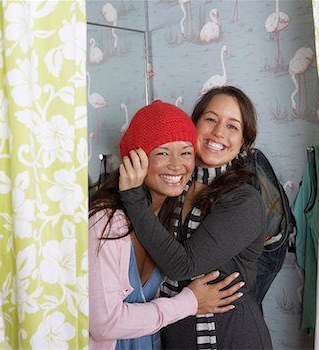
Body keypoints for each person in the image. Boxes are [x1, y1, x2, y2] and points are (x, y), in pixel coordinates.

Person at [119, 87, 273, 349]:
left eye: (233, 126)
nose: (218, 133)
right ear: (194, 126)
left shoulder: (243, 201)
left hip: (230, 336)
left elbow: (183, 266)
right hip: (173, 333)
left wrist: (132, 196)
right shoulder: (173, 186)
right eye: (211, 119)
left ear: (244, 142)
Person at [89, 100, 244, 350]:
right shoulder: (107, 221)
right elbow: (103, 324)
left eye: (185, 152)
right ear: (135, 160)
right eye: (162, 152)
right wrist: (189, 302)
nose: (176, 164)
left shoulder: (169, 217)